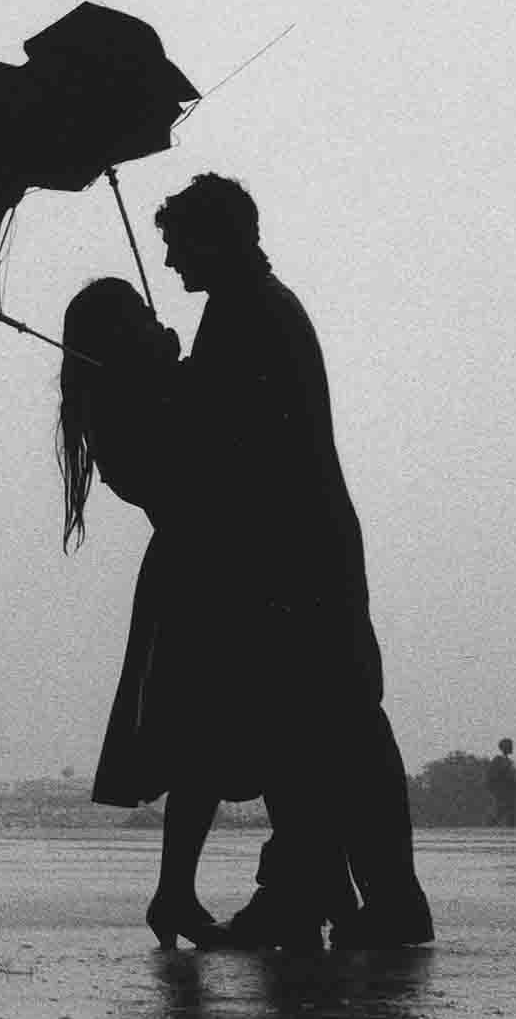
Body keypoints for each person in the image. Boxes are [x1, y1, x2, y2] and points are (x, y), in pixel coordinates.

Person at [155, 173, 432, 952]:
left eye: (180, 243)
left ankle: (335, 896)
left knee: (317, 727)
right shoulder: (257, 307)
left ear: (218, 237)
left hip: (292, 560)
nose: (171, 260)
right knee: (326, 726)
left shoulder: (248, 314)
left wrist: (173, 393)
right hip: (308, 552)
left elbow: (229, 445)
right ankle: (345, 894)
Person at [55, 276, 234, 949]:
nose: (152, 319)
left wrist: (172, 374)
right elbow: (188, 463)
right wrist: (176, 377)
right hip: (195, 574)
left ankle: (175, 893)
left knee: (207, 741)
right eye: (137, 315)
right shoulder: (118, 409)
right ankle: (175, 893)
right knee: (204, 740)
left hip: (195, 569)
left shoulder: (123, 399)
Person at [486, 738, 516, 827]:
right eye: (510, 746)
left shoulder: (509, 761)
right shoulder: (498, 760)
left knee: (509, 814)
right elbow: (492, 776)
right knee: (498, 813)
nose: (512, 748)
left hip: (510, 793)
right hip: (501, 793)